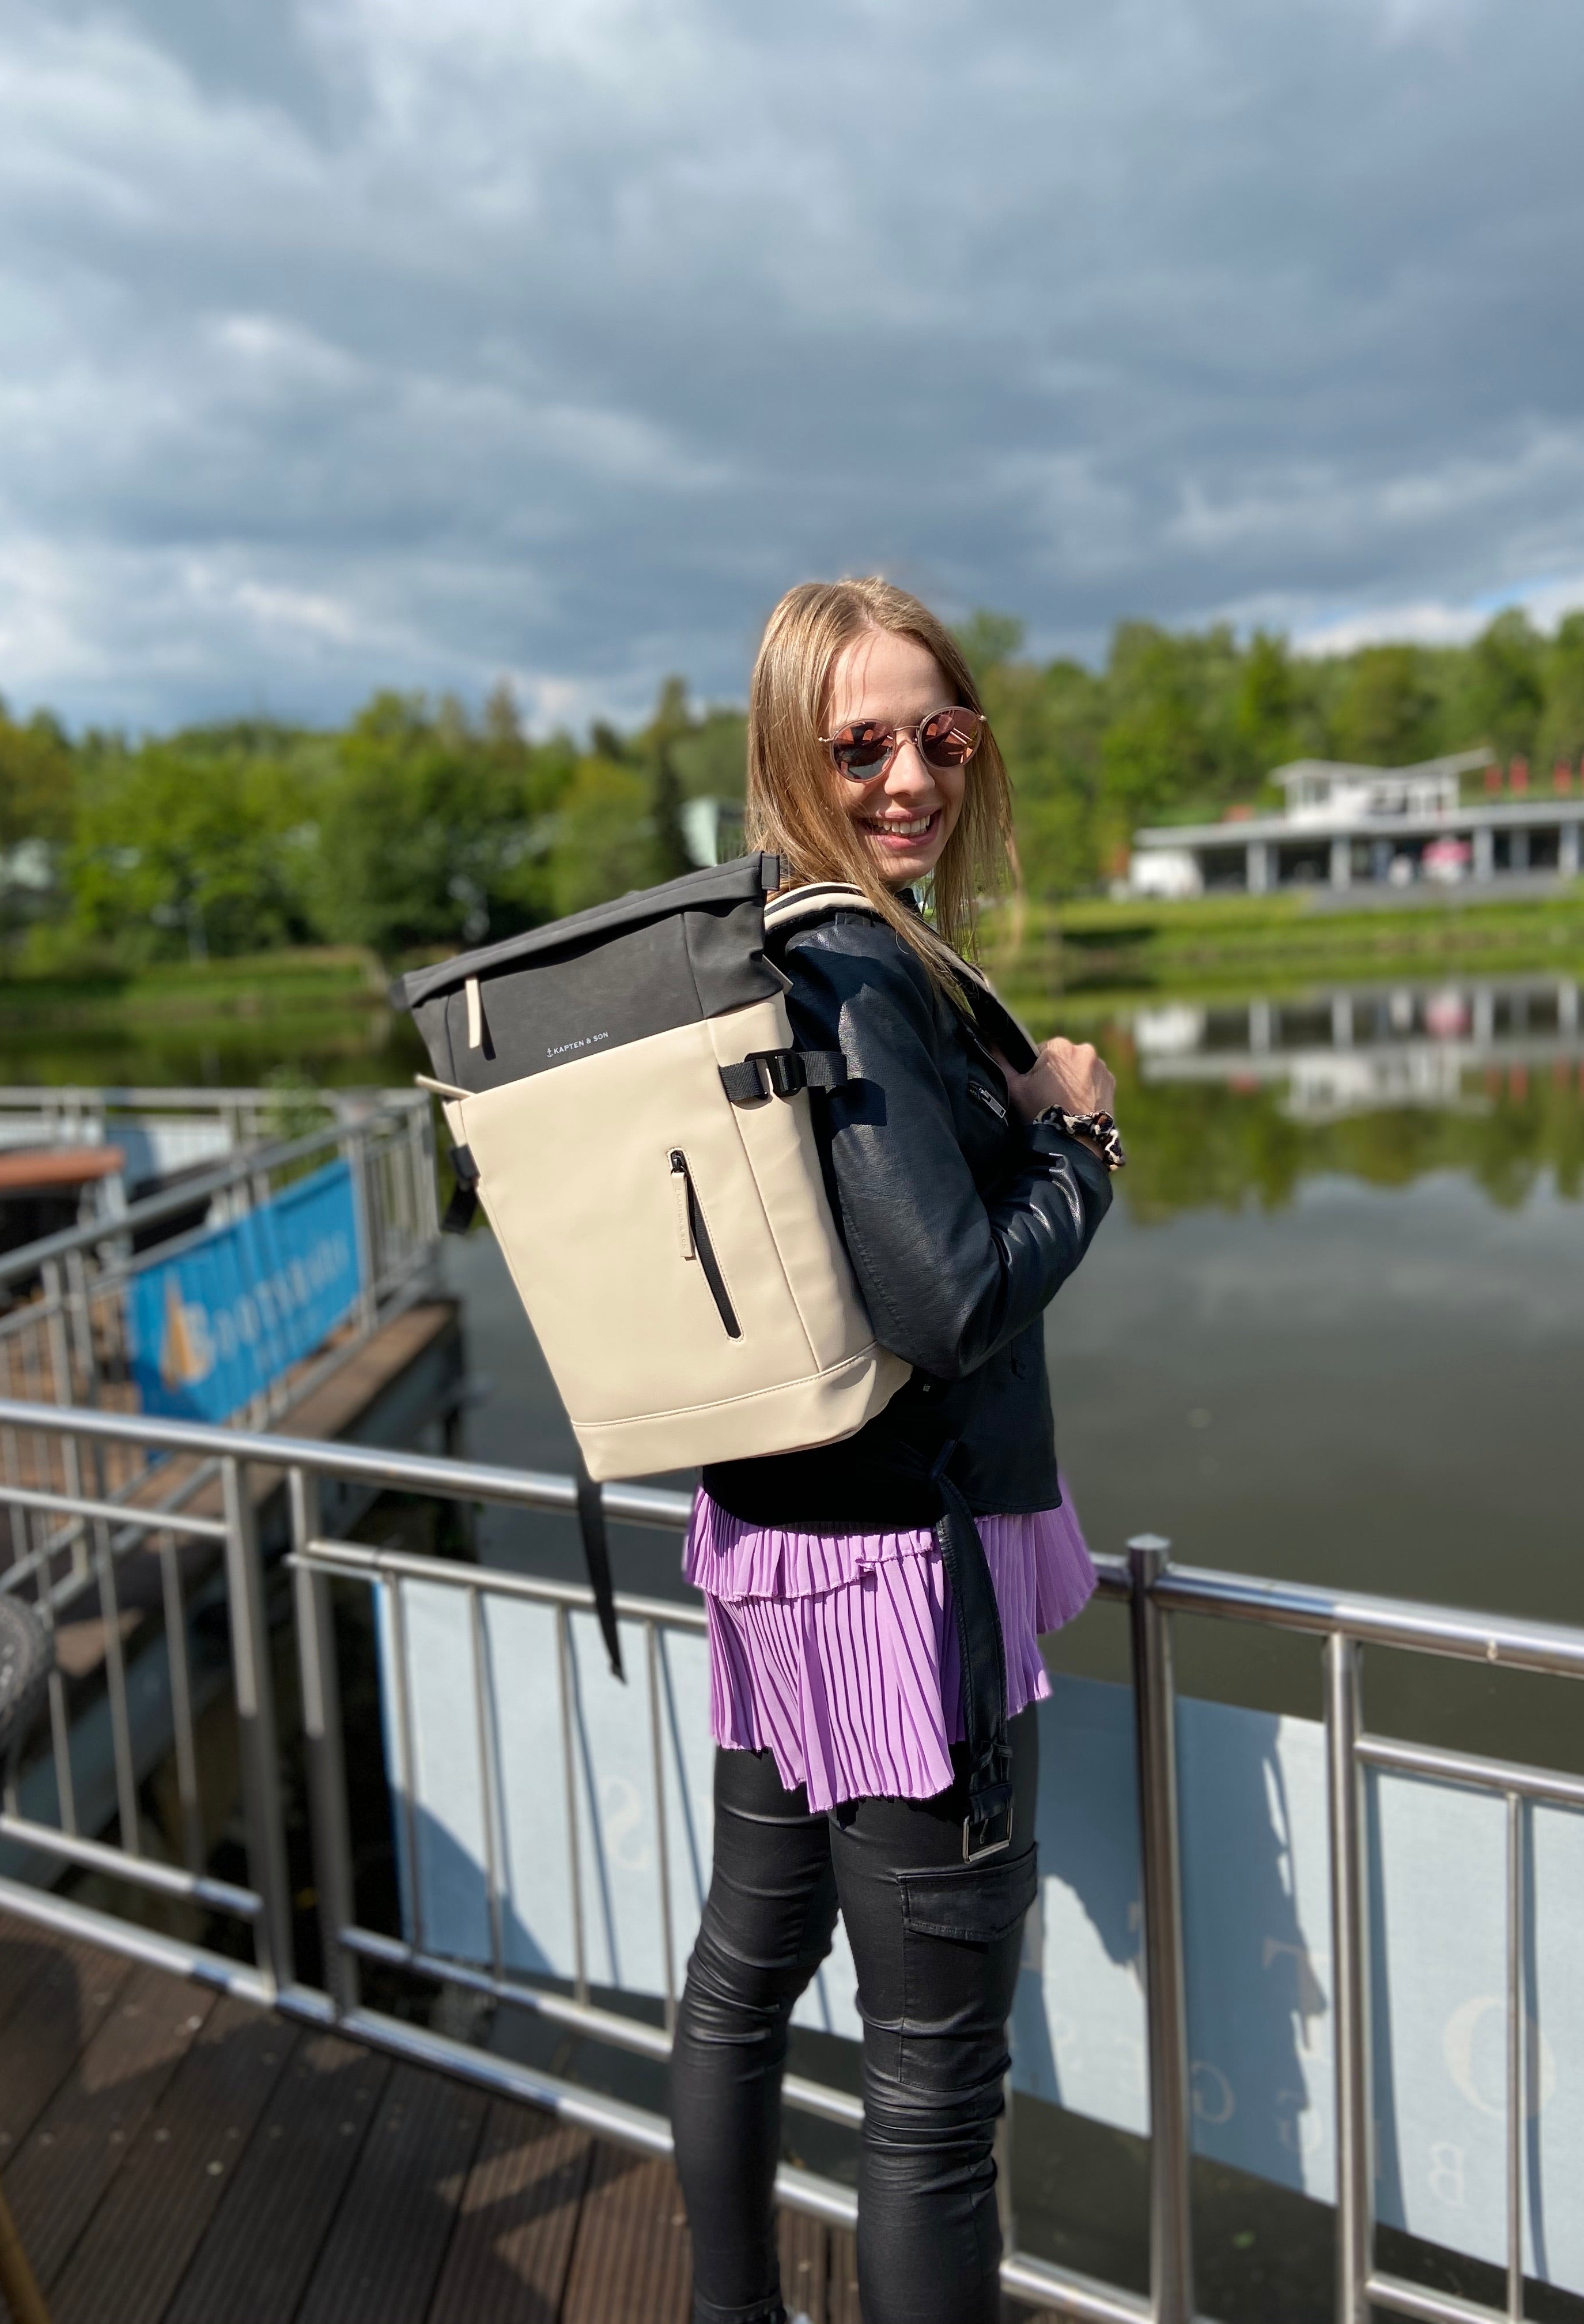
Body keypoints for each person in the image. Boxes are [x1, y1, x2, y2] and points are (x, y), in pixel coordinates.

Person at [669, 577, 1118, 2324]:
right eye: (860, 744)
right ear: (790, 747)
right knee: (933, 2090)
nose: (909, 777)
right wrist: (1080, 1136)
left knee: (744, 1977)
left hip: (782, 1549)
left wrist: (996, 1123)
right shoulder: (855, 958)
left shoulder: (775, 942)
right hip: (904, 1579)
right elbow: (950, 1301)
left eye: (942, 733)